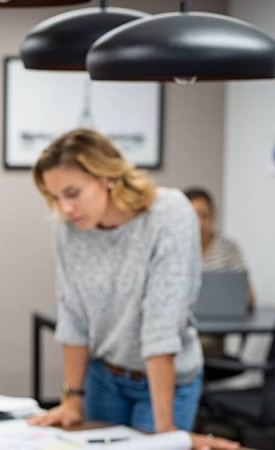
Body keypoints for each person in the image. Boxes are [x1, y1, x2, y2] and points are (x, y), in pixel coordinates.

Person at [27, 128, 238, 450]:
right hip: (104, 377)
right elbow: (73, 316)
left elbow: (161, 325)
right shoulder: (68, 229)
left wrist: (166, 432)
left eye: (72, 193)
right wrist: (72, 400)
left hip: (167, 382)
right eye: (55, 197)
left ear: (107, 177)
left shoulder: (168, 214)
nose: (65, 208)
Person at [184, 187, 255, 310]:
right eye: (193, 216)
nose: (199, 223)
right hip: (184, 322)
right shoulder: (174, 250)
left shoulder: (228, 248)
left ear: (213, 216)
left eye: (204, 215)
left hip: (222, 322)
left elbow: (249, 297)